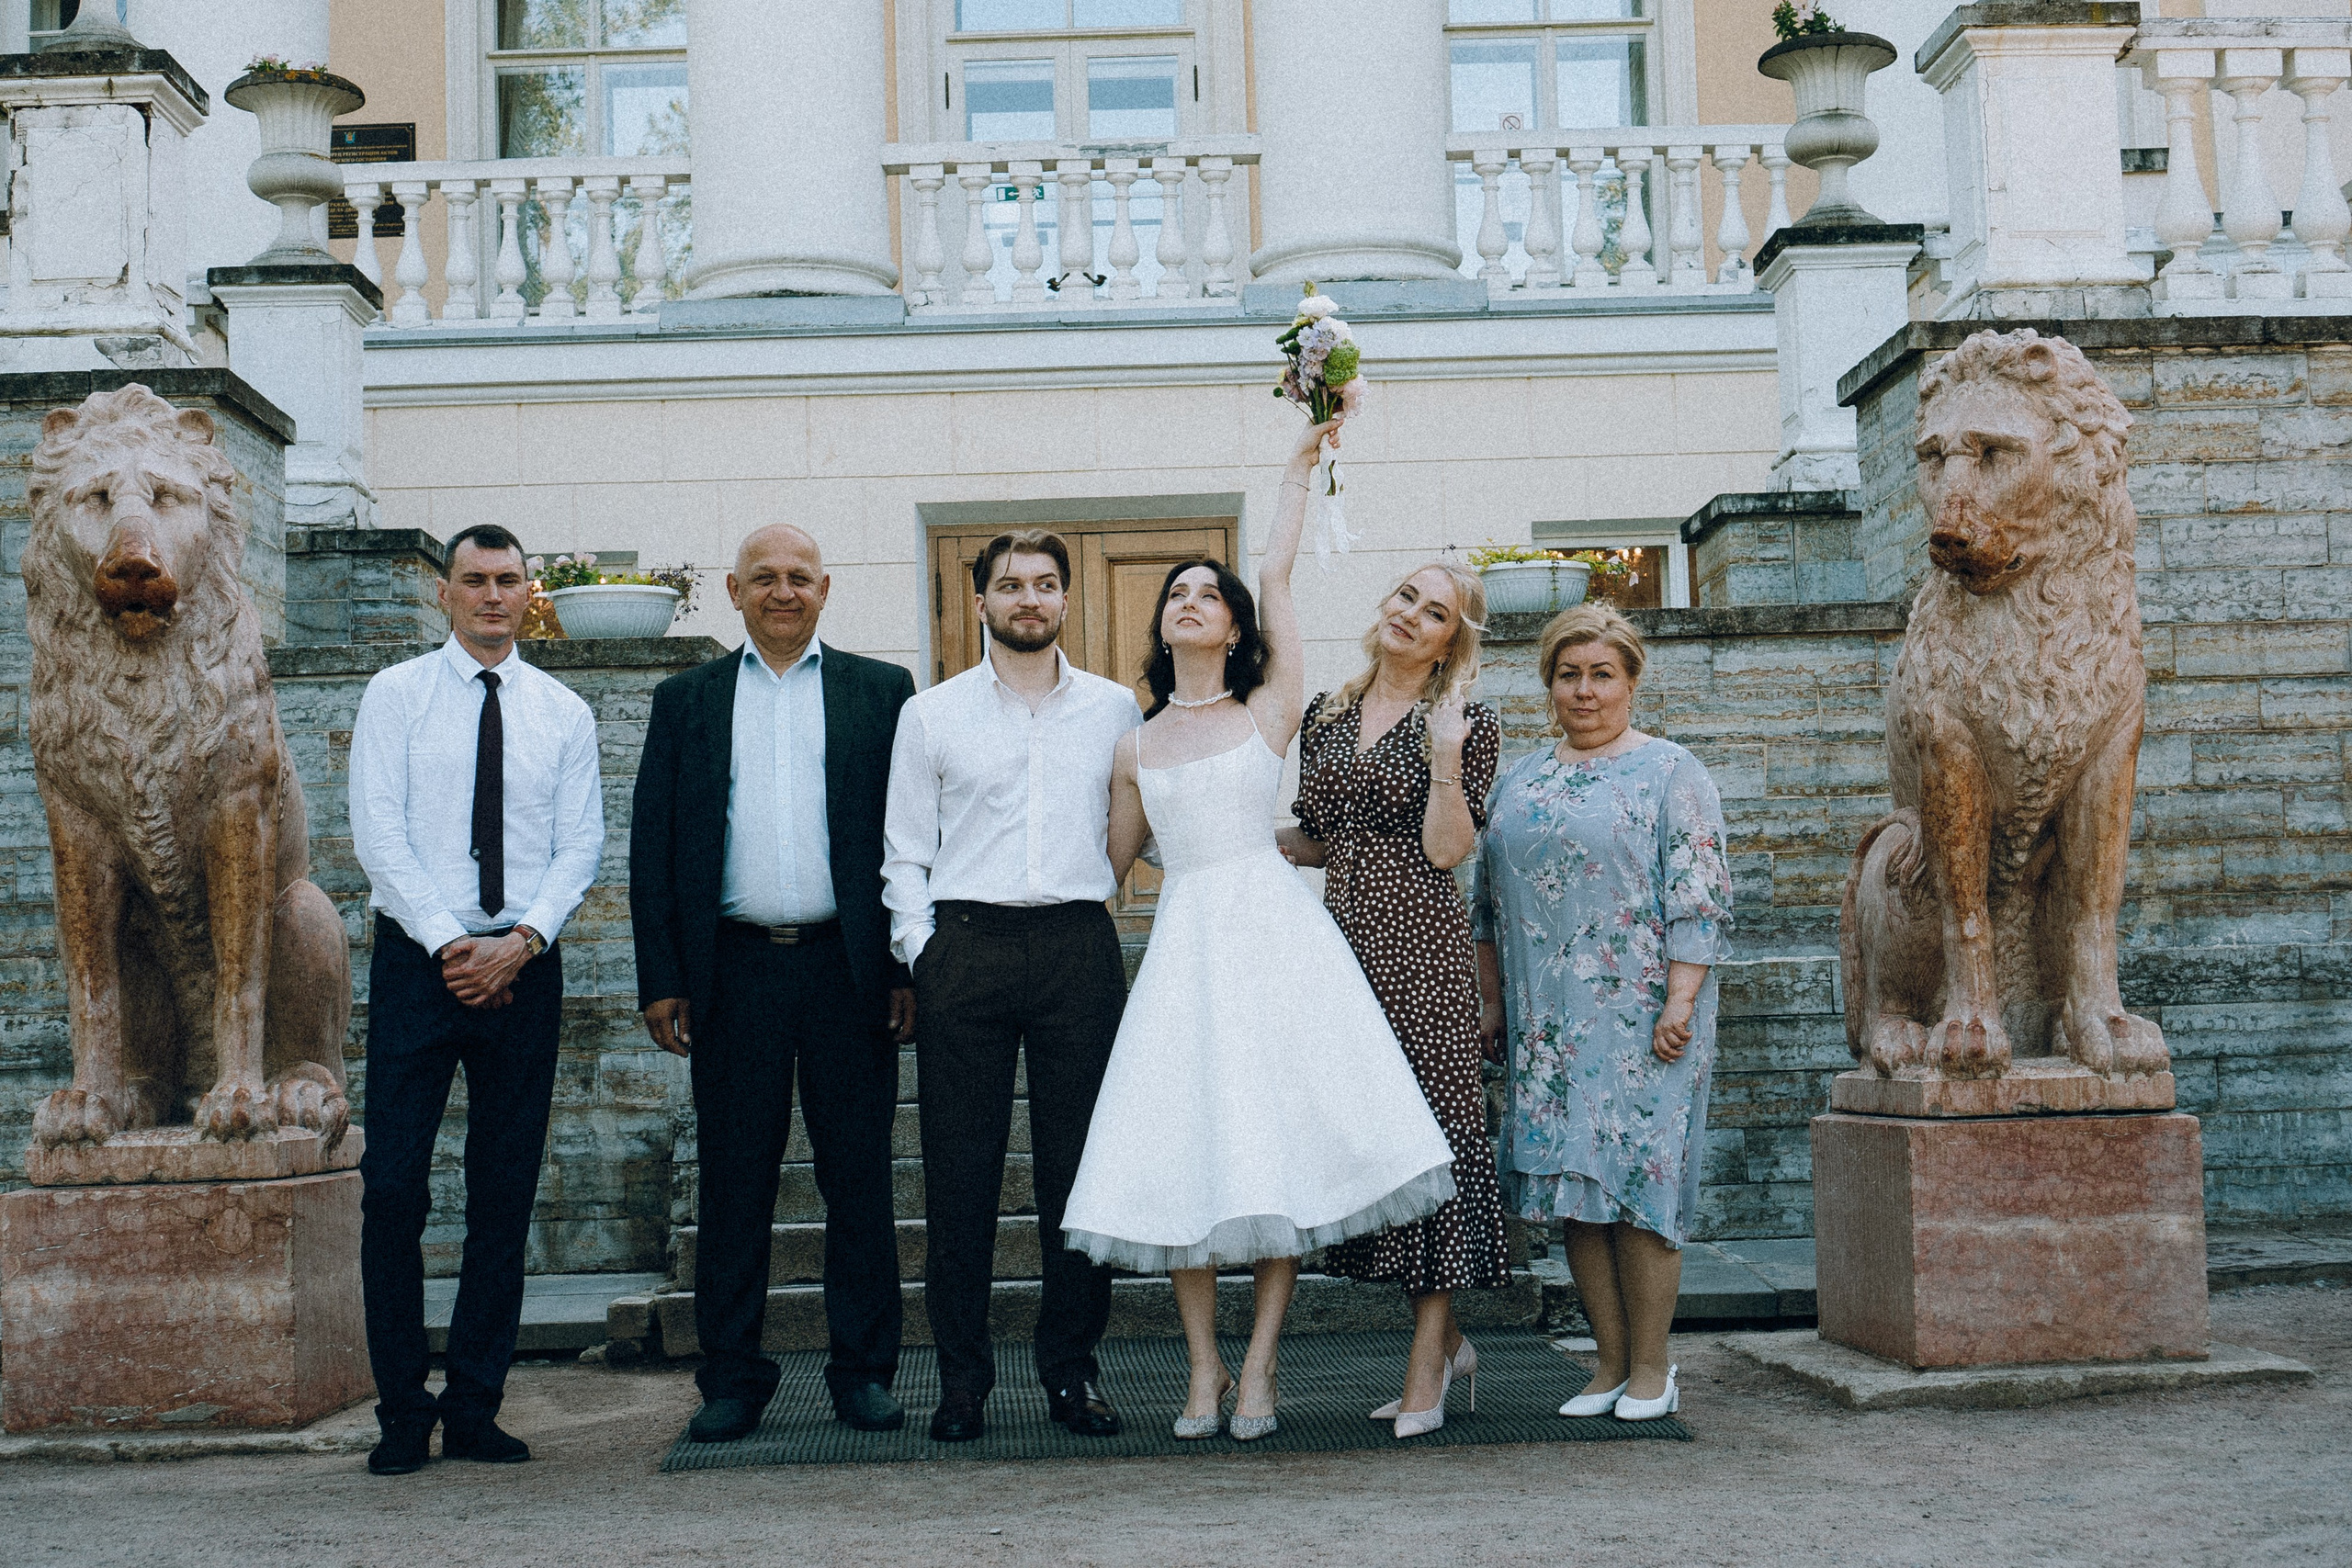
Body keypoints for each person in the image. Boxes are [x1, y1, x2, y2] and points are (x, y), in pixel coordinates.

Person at [1061, 419, 1457, 1443]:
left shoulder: (1271, 708)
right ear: (1164, 626)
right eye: (1177, 594)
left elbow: (1276, 570)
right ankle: (1203, 1368)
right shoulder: (1132, 746)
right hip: (1186, 950)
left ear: (1234, 627)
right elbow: (1102, 871)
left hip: (1277, 944)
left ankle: (1264, 1367)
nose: (1191, 601)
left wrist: (1297, 465)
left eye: (1209, 593)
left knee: (1275, 1149)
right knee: (1187, 1151)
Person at [630, 524, 917, 1445]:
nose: (782, 591)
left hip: (848, 970)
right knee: (734, 1183)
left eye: (799, 576)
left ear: (826, 589)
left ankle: (863, 1371)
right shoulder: (687, 700)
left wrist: (903, 966)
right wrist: (662, 977)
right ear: (733, 590)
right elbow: (652, 847)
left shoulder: (883, 693)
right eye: (764, 577)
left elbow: (913, 836)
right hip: (734, 970)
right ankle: (731, 1378)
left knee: (859, 1181)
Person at [349, 524, 604, 1475]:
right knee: (393, 1191)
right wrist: (450, 943)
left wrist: (520, 942)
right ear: (445, 593)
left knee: (503, 1193)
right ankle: (401, 1411)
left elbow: (580, 845)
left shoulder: (563, 713)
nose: (492, 595)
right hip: (421, 963)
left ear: (528, 594)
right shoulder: (397, 696)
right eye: (475, 580)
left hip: (522, 968)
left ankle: (475, 1406)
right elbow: (377, 830)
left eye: (507, 580)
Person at [881, 528, 1142, 1444]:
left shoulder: (1115, 709)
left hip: (1076, 946)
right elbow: (904, 850)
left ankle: (1071, 1372)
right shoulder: (932, 714)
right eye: (1009, 584)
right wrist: (923, 951)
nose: (1028, 598)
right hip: (967, 947)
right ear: (982, 601)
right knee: (960, 1175)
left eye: (1043, 583)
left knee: (1081, 1174)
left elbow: (1133, 823)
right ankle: (962, 1381)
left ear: (1065, 598)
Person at [1473, 602, 1731, 1423]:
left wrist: (1681, 999)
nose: (1584, 690)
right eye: (1569, 674)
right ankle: (1608, 1364)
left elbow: (1699, 894)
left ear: (1631, 681)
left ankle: (1653, 1367)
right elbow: (1486, 907)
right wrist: (1492, 1003)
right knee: (1573, 1190)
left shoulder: (1672, 772)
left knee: (1640, 1188)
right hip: (1548, 1026)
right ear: (1549, 683)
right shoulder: (1518, 780)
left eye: (1602, 675)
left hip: (1646, 1020)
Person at [1279, 560, 1510, 1439]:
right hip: (1339, 950)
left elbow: (1448, 850)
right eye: (1407, 596)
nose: (1412, 614)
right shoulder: (1326, 714)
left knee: (1435, 1138)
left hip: (1423, 951)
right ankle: (1451, 1344)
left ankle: (1426, 1363)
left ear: (1453, 640)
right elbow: (1319, 836)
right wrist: (1216, 835)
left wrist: (1444, 757)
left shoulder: (1465, 722)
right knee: (1371, 1138)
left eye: (1436, 611)